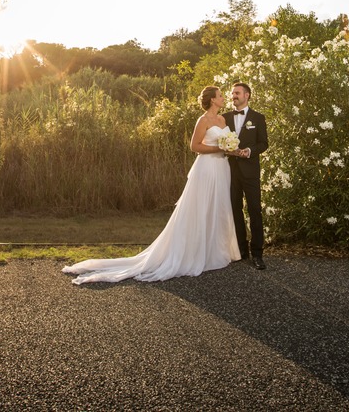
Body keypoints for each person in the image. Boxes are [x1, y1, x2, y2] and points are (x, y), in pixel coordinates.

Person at [62, 86, 241, 285]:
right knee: (201, 208)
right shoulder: (203, 120)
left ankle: (215, 251)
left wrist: (231, 149)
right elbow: (195, 146)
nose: (224, 98)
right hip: (206, 169)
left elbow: (226, 143)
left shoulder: (223, 120)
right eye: (221, 96)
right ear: (212, 100)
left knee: (219, 206)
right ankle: (194, 253)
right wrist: (220, 147)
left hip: (222, 167)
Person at [224, 82, 268, 270]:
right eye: (232, 93)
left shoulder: (258, 118)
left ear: (247, 95)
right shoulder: (224, 118)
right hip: (230, 172)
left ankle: (257, 254)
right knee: (235, 211)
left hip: (250, 172)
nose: (234, 96)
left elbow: (264, 143)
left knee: (255, 211)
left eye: (237, 93)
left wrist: (249, 151)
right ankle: (241, 252)